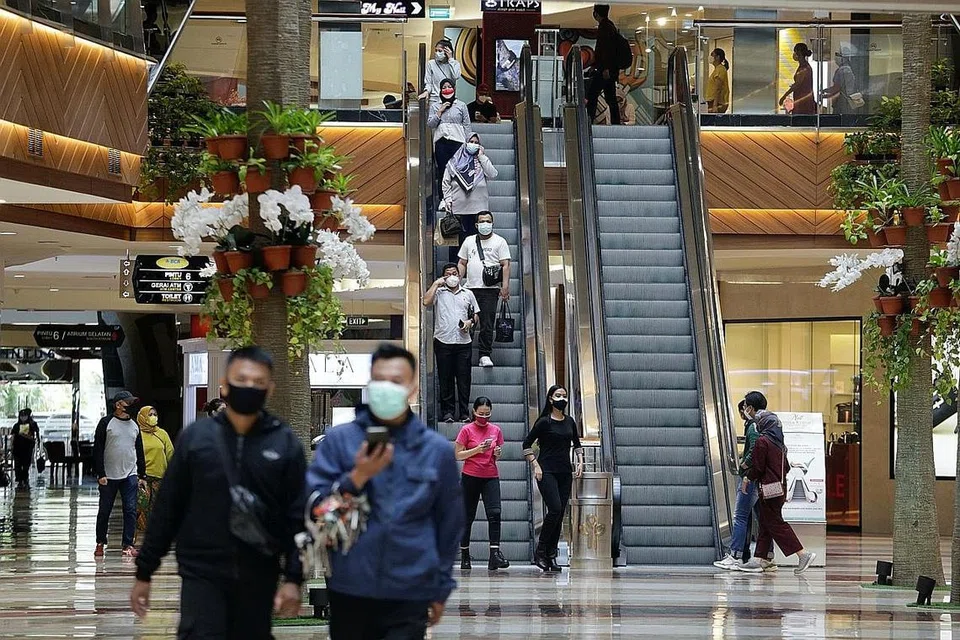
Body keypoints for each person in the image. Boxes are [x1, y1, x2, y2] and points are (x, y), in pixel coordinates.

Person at [130, 346, 305, 638]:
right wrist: (144, 571)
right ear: (225, 384)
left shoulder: (284, 443)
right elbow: (168, 507)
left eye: (258, 381)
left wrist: (293, 578)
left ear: (270, 388)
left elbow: (296, 515)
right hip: (202, 571)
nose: (249, 386)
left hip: (258, 572)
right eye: (241, 378)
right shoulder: (197, 439)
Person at [306, 343, 464, 639]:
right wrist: (357, 477)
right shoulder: (340, 442)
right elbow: (313, 506)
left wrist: (441, 587)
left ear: (413, 387)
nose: (386, 388)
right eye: (380, 380)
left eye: (396, 381)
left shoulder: (436, 451)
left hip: (410, 588)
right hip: (350, 585)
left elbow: (449, 525)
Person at [739, 392, 817, 575]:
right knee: (766, 521)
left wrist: (747, 477)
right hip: (780, 487)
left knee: (774, 522)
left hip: (767, 488)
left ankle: (802, 554)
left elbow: (758, 467)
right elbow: (787, 467)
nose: (747, 411)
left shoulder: (762, 441)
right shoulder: (779, 442)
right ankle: (761, 559)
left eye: (747, 407)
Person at [523, 385, 584, 571]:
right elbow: (526, 444)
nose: (562, 399)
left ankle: (551, 554)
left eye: (564, 396)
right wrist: (535, 465)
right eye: (558, 395)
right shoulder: (544, 422)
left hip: (565, 471)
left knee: (559, 514)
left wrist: (580, 461)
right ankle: (540, 551)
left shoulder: (570, 421)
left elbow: (577, 443)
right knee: (555, 509)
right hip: (546, 470)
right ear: (550, 399)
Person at [455, 396, 508, 571]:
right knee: (466, 516)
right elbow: (458, 455)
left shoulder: (496, 430)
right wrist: (478, 449)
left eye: (487, 414)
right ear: (474, 412)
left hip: (491, 475)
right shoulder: (466, 430)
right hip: (471, 475)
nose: (484, 417)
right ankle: (465, 554)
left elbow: (497, 454)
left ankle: (494, 554)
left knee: (495, 513)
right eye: (481, 413)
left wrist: (497, 452)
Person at [423, 263, 479, 423]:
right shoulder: (439, 293)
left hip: (463, 342)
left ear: (459, 276)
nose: (452, 276)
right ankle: (447, 412)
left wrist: (470, 322)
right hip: (443, 340)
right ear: (443, 276)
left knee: (464, 379)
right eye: (448, 274)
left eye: (454, 273)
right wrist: (436, 283)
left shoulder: (468, 294)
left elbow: (476, 315)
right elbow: (426, 302)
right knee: (445, 378)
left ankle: (464, 413)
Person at [94, 390, 146, 558]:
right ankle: (100, 542)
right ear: (118, 405)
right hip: (109, 475)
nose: (130, 406)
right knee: (104, 510)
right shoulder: (106, 423)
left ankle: (128, 544)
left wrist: (141, 474)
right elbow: (98, 449)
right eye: (127, 403)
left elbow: (139, 450)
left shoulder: (134, 425)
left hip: (130, 474)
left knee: (130, 509)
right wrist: (100, 473)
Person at [458, 211, 511, 368]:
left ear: (492, 223)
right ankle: (464, 354)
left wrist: (505, 287)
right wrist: (458, 281)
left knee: (487, 323)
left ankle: (484, 354)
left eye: (488, 221)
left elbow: (505, 265)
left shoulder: (500, 242)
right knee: (468, 322)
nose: (485, 224)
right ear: (476, 225)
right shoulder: (469, 241)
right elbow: (462, 262)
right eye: (482, 221)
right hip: (470, 288)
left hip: (490, 289)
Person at [714, 400, 760, 571]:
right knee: (759, 517)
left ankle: (736, 556)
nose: (743, 412)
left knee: (740, 516)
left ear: (750, 409)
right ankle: (765, 556)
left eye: (744, 408)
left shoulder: (752, 426)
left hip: (749, 478)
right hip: (758, 477)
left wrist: (743, 465)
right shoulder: (763, 424)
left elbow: (754, 448)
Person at [442, 133, 498, 249]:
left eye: (476, 143)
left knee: (475, 245)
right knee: (458, 246)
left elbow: (492, 174)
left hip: (478, 211)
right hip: (459, 209)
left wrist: (482, 157)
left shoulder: (481, 162)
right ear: (465, 143)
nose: (473, 144)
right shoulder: (454, 162)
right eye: (471, 142)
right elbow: (445, 182)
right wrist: (448, 199)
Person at [134, 406, 174, 546]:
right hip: (141, 478)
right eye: (150, 414)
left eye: (155, 414)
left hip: (160, 476)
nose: (153, 417)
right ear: (143, 417)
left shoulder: (161, 434)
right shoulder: (136, 433)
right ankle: (138, 540)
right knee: (140, 508)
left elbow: (170, 454)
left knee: (158, 507)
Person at [428, 78, 472, 196]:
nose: (447, 89)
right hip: (441, 142)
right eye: (444, 87)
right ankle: (444, 198)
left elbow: (467, 125)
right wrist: (440, 111)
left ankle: (459, 197)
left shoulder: (461, 105)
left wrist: (469, 142)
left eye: (449, 86)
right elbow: (430, 124)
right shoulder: (435, 106)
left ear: (454, 88)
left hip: (458, 141)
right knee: (443, 170)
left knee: (458, 170)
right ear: (440, 90)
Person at [586, 4, 621, 125]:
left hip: (605, 70)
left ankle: (588, 121)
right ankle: (616, 123)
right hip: (608, 69)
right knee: (610, 97)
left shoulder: (605, 28)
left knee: (592, 94)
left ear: (596, 13)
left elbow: (605, 50)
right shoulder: (609, 26)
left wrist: (604, 68)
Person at [421, 38, 461, 107]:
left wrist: (451, 59)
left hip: (450, 98)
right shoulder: (431, 63)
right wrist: (426, 91)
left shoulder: (455, 63)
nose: (437, 53)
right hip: (434, 99)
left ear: (447, 51)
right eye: (436, 50)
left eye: (440, 51)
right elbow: (428, 82)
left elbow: (456, 76)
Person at [779, 42, 816, 115]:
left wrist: (784, 96)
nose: (794, 54)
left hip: (803, 100)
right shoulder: (804, 66)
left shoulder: (804, 68)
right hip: (803, 98)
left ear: (799, 53)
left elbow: (797, 84)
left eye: (795, 52)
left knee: (801, 120)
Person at [821, 47, 859, 114]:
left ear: (843, 58)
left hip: (842, 102)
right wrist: (826, 91)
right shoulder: (849, 69)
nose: (836, 58)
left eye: (838, 55)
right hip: (848, 103)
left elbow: (836, 88)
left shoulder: (842, 70)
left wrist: (825, 94)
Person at [11, 408, 39, 489]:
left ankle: (25, 479)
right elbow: (13, 436)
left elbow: (35, 435)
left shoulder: (32, 424)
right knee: (18, 465)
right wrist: (12, 446)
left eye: (25, 416)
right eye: (21, 416)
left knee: (26, 465)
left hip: (27, 448)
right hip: (17, 449)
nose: (23, 418)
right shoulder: (16, 426)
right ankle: (20, 480)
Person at [705, 48, 730, 113]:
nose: (710, 57)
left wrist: (715, 105)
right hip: (714, 101)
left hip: (717, 102)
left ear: (717, 57)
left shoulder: (720, 69)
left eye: (712, 55)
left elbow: (718, 88)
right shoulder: (717, 69)